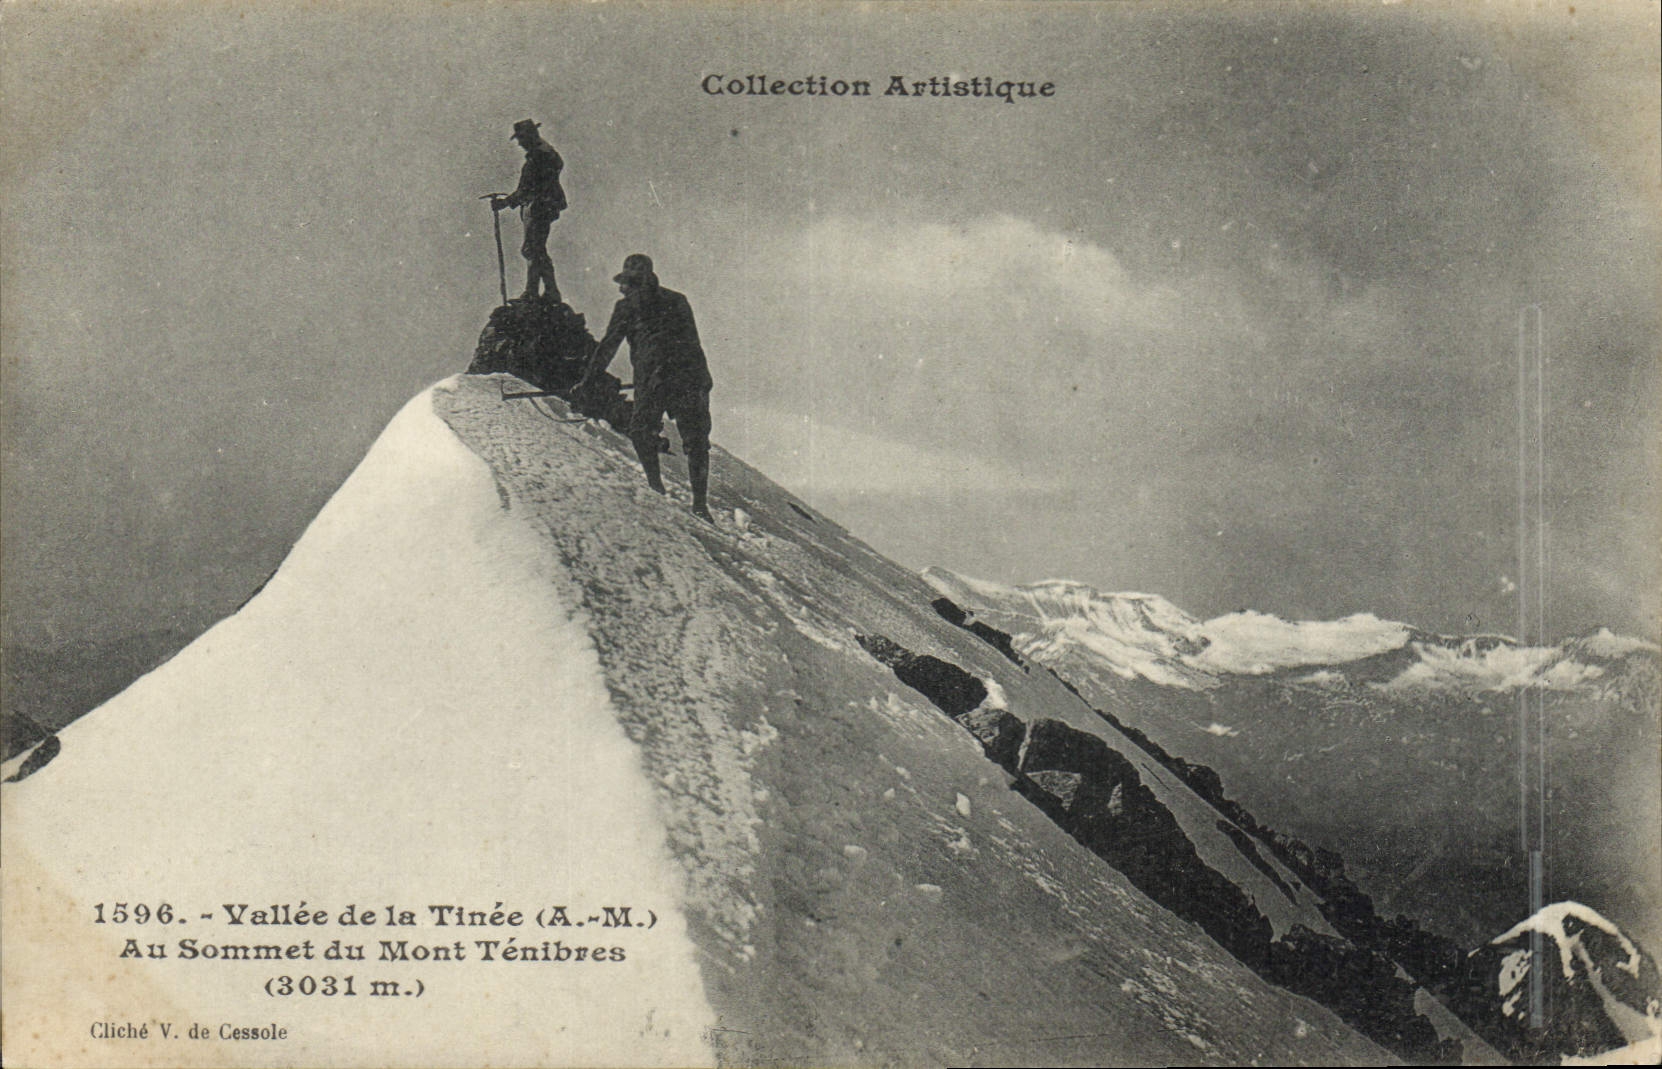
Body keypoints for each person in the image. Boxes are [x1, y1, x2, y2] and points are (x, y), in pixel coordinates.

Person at [578, 254, 715, 522]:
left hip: (664, 379)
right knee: (692, 441)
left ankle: (662, 489)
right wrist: (703, 380)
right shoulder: (675, 300)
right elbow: (694, 342)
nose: (623, 288)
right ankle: (693, 502)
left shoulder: (629, 306)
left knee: (646, 431)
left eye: (627, 283)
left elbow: (608, 347)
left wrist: (588, 380)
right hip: (684, 378)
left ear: (638, 282)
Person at [491, 119, 566, 302]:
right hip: (542, 206)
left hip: (539, 207)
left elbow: (527, 188)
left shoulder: (539, 157)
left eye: (521, 138)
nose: (520, 143)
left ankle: (535, 292)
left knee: (532, 248)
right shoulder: (545, 154)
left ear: (530, 136)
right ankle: (549, 291)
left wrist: (505, 202)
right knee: (536, 249)